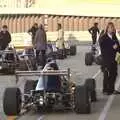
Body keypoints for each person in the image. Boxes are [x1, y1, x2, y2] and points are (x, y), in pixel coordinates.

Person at [99, 22, 120, 95]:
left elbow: (117, 45)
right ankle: (105, 90)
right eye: (110, 28)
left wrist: (117, 48)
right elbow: (103, 48)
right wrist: (112, 48)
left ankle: (112, 89)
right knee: (106, 75)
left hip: (114, 60)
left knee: (114, 74)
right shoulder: (103, 37)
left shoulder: (114, 36)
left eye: (113, 27)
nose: (112, 29)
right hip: (106, 60)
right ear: (107, 29)